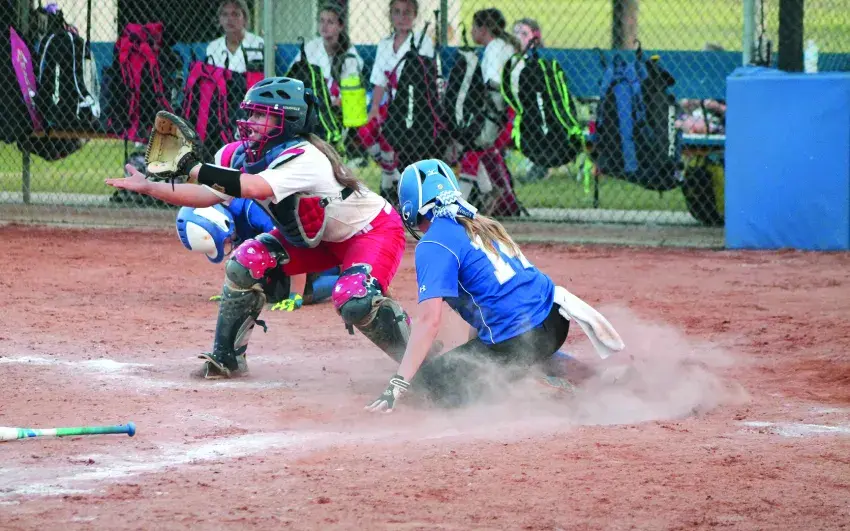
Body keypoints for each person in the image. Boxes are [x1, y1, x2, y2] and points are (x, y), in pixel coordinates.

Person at [105, 77, 410, 380]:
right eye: (250, 113)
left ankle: (423, 367)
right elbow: (206, 195)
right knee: (245, 261)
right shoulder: (240, 154)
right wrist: (149, 187)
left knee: (354, 297)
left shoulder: (305, 157)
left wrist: (193, 167)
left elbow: (253, 187)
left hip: (371, 232)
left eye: (261, 115)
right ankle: (227, 359)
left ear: (287, 120)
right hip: (317, 240)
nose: (250, 121)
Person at [366, 159, 624, 412]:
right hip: (555, 320)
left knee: (429, 387)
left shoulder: (434, 243)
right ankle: (594, 377)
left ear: (410, 207)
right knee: (499, 350)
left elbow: (428, 321)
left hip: (523, 336)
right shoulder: (478, 223)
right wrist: (479, 354)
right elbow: (489, 302)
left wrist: (398, 384)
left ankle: (537, 386)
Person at [175, 201, 340, 309]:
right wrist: (234, 289)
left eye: (224, 240)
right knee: (269, 292)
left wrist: (295, 296)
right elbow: (243, 256)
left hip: (311, 250)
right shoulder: (232, 213)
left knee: (297, 292)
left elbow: (295, 247)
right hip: (290, 257)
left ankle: (344, 276)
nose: (226, 243)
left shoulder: (254, 211)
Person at [359, 0, 435, 198]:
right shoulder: (385, 44)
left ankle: (390, 186)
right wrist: (374, 107)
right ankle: (391, 173)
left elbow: (428, 78)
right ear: (390, 15)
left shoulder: (422, 42)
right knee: (365, 130)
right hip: (391, 102)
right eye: (397, 12)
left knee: (391, 136)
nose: (402, 17)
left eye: (407, 13)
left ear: (415, 16)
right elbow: (379, 79)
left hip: (413, 104)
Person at [458, 8, 521, 216]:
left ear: (484, 29)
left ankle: (459, 203)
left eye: (474, 27)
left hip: (503, 112)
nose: (472, 31)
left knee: (471, 145)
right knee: (479, 150)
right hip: (512, 111)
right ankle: (494, 194)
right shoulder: (506, 45)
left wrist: (484, 115)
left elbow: (494, 86)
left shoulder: (493, 48)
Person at [291, 2, 364, 109]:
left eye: (330, 22)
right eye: (321, 21)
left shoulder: (349, 53)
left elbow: (350, 91)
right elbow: (294, 72)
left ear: (340, 26)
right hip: (310, 102)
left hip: (338, 107)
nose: (324, 26)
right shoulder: (311, 46)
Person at [206, 0, 264, 74]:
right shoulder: (213, 47)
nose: (229, 19)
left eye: (235, 14)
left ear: (245, 19)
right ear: (220, 20)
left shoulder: (259, 43)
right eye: (225, 14)